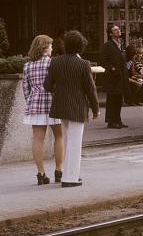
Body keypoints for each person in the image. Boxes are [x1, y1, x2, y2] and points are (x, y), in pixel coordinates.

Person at [44, 30, 99, 188]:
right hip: (77, 107)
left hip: (61, 106)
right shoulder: (83, 64)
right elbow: (91, 89)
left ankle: (66, 174)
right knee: (75, 142)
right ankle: (71, 178)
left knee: (67, 141)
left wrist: (59, 91)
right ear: (81, 46)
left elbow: (47, 85)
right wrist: (95, 109)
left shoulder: (55, 62)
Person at [22, 35, 64, 185]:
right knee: (58, 136)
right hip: (53, 102)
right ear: (45, 47)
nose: (52, 48)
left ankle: (40, 173)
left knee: (38, 139)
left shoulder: (27, 66)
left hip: (35, 103)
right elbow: (58, 84)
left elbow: (25, 89)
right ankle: (59, 170)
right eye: (51, 45)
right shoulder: (53, 63)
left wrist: (32, 100)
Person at [100, 24, 127, 129]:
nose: (118, 31)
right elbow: (103, 61)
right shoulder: (107, 45)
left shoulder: (121, 44)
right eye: (115, 30)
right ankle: (111, 121)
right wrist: (112, 68)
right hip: (112, 77)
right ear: (111, 34)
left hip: (121, 76)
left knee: (119, 99)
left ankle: (118, 120)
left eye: (118, 29)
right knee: (112, 100)